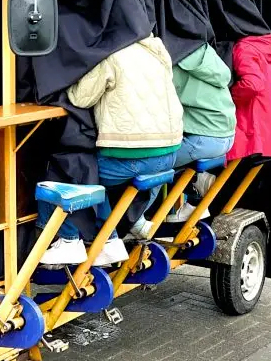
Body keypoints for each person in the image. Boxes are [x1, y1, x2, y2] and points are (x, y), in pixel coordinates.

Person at [38, 34, 184, 267]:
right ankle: (122, 230)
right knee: (95, 173)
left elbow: (80, 97)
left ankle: (72, 240)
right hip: (169, 154)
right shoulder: (157, 51)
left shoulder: (112, 54)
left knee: (73, 170)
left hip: (135, 156)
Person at [166, 42, 237, 222]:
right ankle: (197, 190)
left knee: (153, 163)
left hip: (203, 138)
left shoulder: (173, 58)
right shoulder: (206, 54)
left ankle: (135, 223)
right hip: (226, 135)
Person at [228, 34, 271, 161]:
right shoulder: (264, 44)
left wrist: (229, 97)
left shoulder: (244, 47)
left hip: (253, 130)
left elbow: (252, 84)